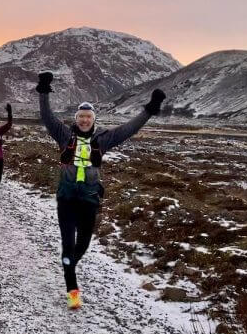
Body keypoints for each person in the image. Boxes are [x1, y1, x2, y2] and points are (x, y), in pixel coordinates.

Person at [35, 71, 166, 309]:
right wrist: (44, 90)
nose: (85, 120)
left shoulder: (103, 139)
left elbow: (129, 129)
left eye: (88, 117)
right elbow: (47, 116)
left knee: (83, 243)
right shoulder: (64, 135)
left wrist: (150, 109)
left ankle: (68, 264)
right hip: (66, 198)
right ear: (76, 119)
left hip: (89, 198)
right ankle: (72, 291)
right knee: (67, 243)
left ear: (93, 119)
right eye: (81, 116)